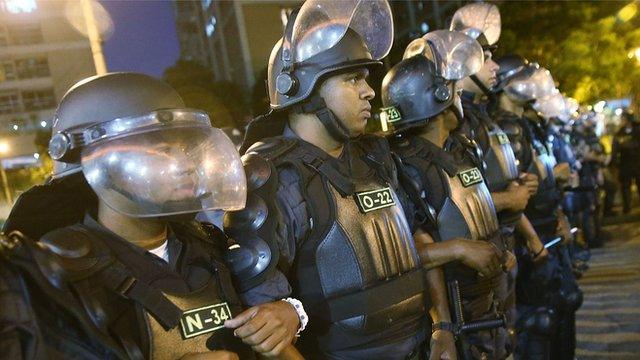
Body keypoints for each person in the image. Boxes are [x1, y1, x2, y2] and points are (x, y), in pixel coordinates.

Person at [225, 1, 503, 358]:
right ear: (304, 85)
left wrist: (441, 327)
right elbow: (265, 327)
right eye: (352, 78)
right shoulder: (272, 177)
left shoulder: (376, 157)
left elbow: (413, 247)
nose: (369, 91)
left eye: (366, 78)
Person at [0, 73, 302, 360]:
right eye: (161, 149)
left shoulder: (210, 247)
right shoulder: (52, 271)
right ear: (101, 161)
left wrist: (286, 316)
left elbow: (269, 341)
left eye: (186, 148)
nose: (186, 164)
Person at [381, 30, 516, 359]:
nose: (458, 96)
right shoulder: (409, 166)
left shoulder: (459, 150)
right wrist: (458, 250)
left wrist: (498, 249)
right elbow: (411, 250)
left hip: (488, 300)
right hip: (458, 310)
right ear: (440, 97)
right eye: (453, 88)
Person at [450, 5, 547, 355]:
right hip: (474, 269)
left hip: (500, 248)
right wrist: (509, 199)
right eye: (485, 57)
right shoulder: (449, 122)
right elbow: (448, 200)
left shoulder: (476, 117)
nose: (493, 66)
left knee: (508, 339)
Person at [491, 59, 582, 360]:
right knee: (537, 324)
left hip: (547, 227)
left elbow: (540, 183)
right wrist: (532, 238)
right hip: (530, 237)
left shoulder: (526, 126)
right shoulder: (502, 126)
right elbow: (515, 192)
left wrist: (559, 216)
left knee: (561, 308)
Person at [611, 110, 640, 214]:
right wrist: (615, 163)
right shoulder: (619, 134)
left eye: (623, 119)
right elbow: (615, 149)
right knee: (625, 187)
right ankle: (627, 208)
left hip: (637, 163)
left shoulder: (637, 130)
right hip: (625, 164)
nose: (622, 121)